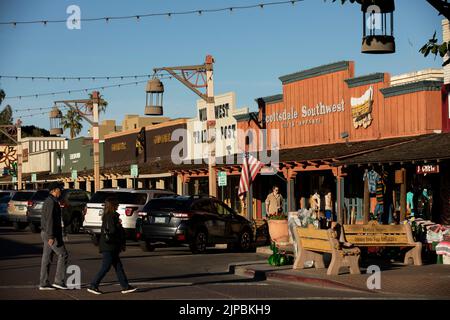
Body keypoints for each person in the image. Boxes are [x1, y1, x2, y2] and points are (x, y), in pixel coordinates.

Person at [88, 196, 137, 295]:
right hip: (109, 245)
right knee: (106, 267)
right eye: (117, 203)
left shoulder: (108, 215)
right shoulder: (111, 216)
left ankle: (125, 286)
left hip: (111, 245)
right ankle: (93, 285)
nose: (118, 205)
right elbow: (112, 231)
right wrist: (119, 225)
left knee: (118, 267)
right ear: (113, 205)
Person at [39, 182, 69, 290]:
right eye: (59, 189)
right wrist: (51, 236)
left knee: (46, 258)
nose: (61, 191)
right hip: (50, 233)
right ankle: (59, 281)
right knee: (63, 254)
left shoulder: (51, 201)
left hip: (47, 232)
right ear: (54, 190)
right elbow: (50, 220)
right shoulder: (51, 202)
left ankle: (43, 283)